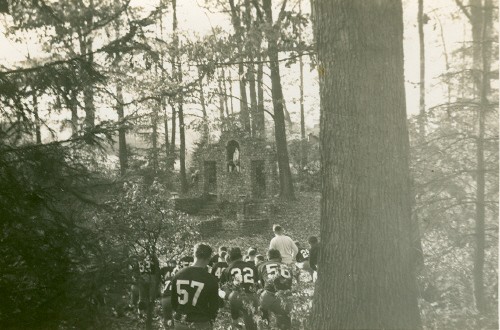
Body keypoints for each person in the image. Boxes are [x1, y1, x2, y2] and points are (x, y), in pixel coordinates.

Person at [170, 243, 220, 329]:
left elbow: (173, 302)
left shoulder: (178, 274)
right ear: (208, 258)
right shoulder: (210, 279)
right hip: (200, 321)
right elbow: (214, 306)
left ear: (194, 255)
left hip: (180, 320)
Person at [220, 247, 258, 330]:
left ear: (229, 258)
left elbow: (222, 287)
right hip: (251, 297)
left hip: (235, 298)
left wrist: (227, 296)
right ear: (241, 256)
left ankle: (235, 320)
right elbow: (257, 284)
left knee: (231, 294)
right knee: (251, 324)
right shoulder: (252, 266)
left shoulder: (227, 269)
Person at [257, 249, 293, 329]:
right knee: (285, 324)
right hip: (283, 296)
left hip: (268, 295)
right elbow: (289, 283)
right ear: (279, 257)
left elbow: (262, 284)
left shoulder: (262, 265)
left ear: (268, 258)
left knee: (262, 314)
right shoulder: (286, 266)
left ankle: (265, 323)